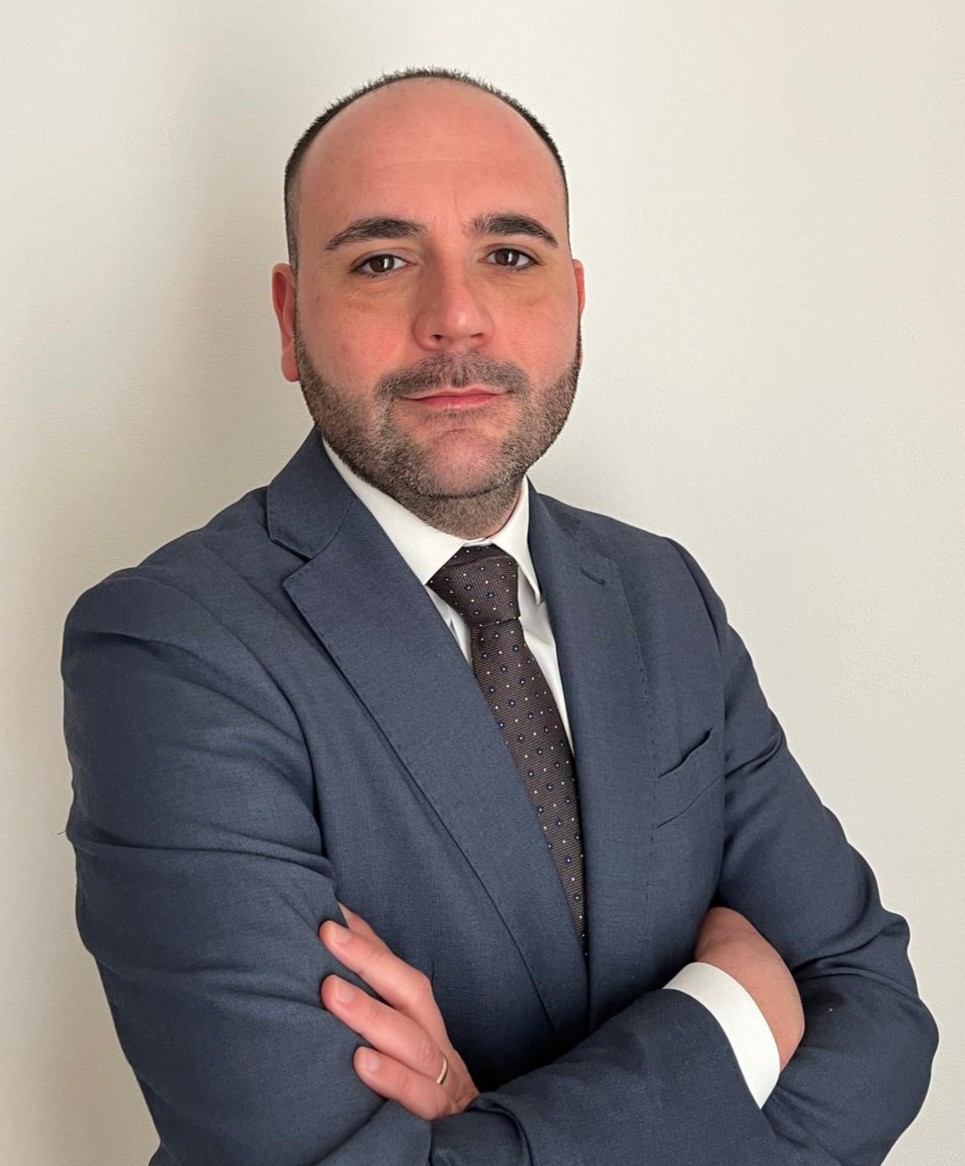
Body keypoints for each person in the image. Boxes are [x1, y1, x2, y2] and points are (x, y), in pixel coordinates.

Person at [63, 68, 937, 1165]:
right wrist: (730, 1016)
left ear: (573, 300)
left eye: (509, 256)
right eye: (381, 260)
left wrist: (483, 1131)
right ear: (289, 321)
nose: (455, 317)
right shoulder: (172, 648)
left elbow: (874, 1011)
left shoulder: (659, 594)